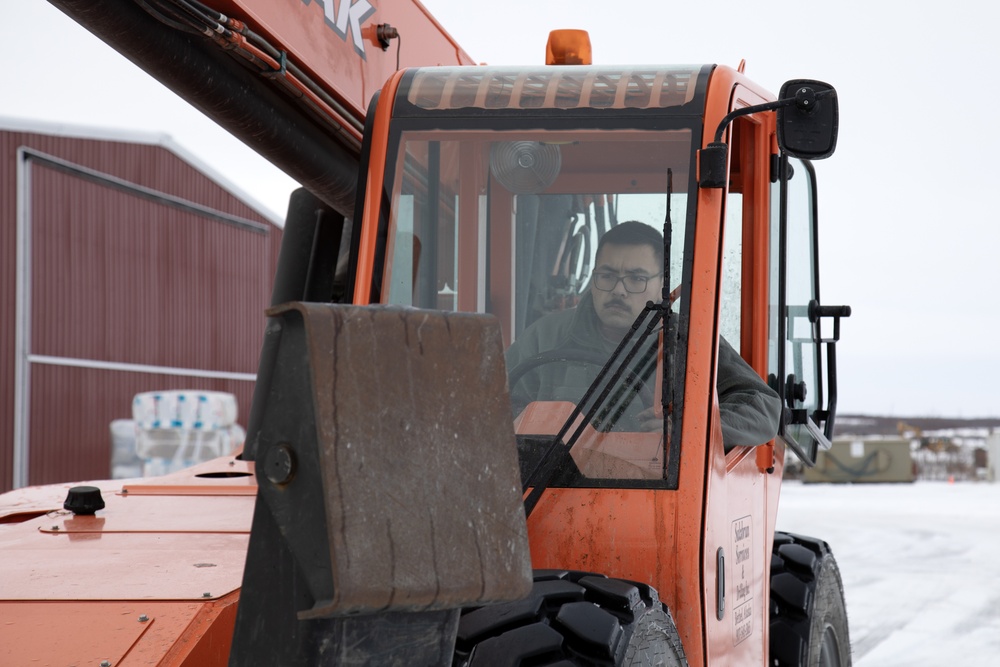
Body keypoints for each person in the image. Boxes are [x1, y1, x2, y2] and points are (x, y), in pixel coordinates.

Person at [506, 221, 782, 448]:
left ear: (662, 284)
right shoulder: (547, 336)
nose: (619, 290)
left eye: (636, 279)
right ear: (593, 277)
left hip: (658, 500)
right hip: (546, 494)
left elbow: (764, 408)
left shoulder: (687, 342)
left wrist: (688, 427)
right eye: (607, 275)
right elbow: (491, 402)